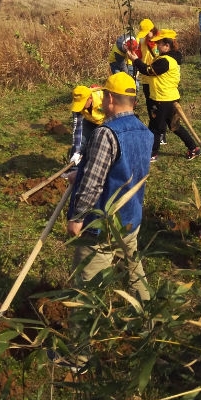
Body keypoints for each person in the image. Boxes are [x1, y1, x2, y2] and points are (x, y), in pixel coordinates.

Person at [67, 72, 153, 303]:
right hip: (130, 219)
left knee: (87, 286)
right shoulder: (145, 132)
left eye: (104, 95)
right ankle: (149, 318)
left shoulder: (105, 133)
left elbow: (94, 182)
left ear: (110, 99)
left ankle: (82, 334)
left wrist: (78, 217)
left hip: (102, 225)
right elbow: (123, 170)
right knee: (134, 272)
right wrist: (81, 171)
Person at [128, 29, 201, 161]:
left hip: (162, 99)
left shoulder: (165, 61)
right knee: (174, 126)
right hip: (170, 97)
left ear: (167, 46)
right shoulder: (171, 58)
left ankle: (152, 154)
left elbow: (148, 70)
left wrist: (135, 60)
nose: (156, 46)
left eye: (159, 43)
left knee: (156, 127)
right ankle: (193, 148)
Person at [69, 84, 106, 166]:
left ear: (90, 98)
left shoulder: (103, 98)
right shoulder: (77, 105)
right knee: (81, 142)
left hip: (106, 123)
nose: (81, 106)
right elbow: (77, 128)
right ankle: (72, 169)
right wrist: (76, 151)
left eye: (82, 103)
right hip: (89, 121)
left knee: (100, 146)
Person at [136, 19, 160, 118]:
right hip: (145, 76)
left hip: (156, 77)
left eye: (147, 33)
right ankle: (152, 121)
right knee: (149, 103)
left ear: (152, 30)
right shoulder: (142, 42)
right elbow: (140, 56)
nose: (145, 35)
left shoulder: (161, 41)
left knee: (158, 102)